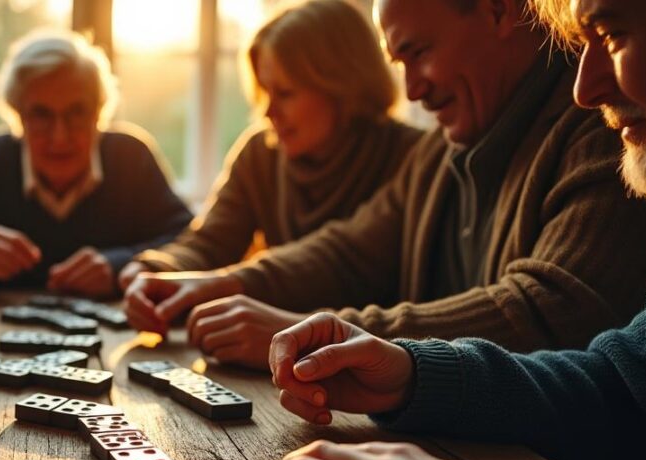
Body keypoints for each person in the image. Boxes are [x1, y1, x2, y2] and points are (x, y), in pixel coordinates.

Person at [235, 1, 646, 460]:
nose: (588, 85)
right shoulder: (446, 150)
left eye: (612, 34)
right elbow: (624, 384)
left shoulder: (599, 140)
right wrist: (416, 373)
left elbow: (554, 309)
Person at [125, 0, 646, 368]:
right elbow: (349, 251)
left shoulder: (615, 129)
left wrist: (325, 333)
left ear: (500, 11)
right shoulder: (441, 148)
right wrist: (217, 283)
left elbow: (549, 312)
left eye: (420, 52)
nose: (411, 92)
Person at [118, 0, 421, 293]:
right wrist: (155, 270)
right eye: (265, 92)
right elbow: (211, 242)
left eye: (285, 93)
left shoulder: (411, 156)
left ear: (343, 86)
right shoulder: (260, 153)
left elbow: (343, 262)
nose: (268, 112)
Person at [0, 29, 194, 298]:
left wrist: (119, 265)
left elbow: (192, 243)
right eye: (42, 115)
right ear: (17, 116)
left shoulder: (131, 159)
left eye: (76, 113)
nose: (60, 137)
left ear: (100, 113)